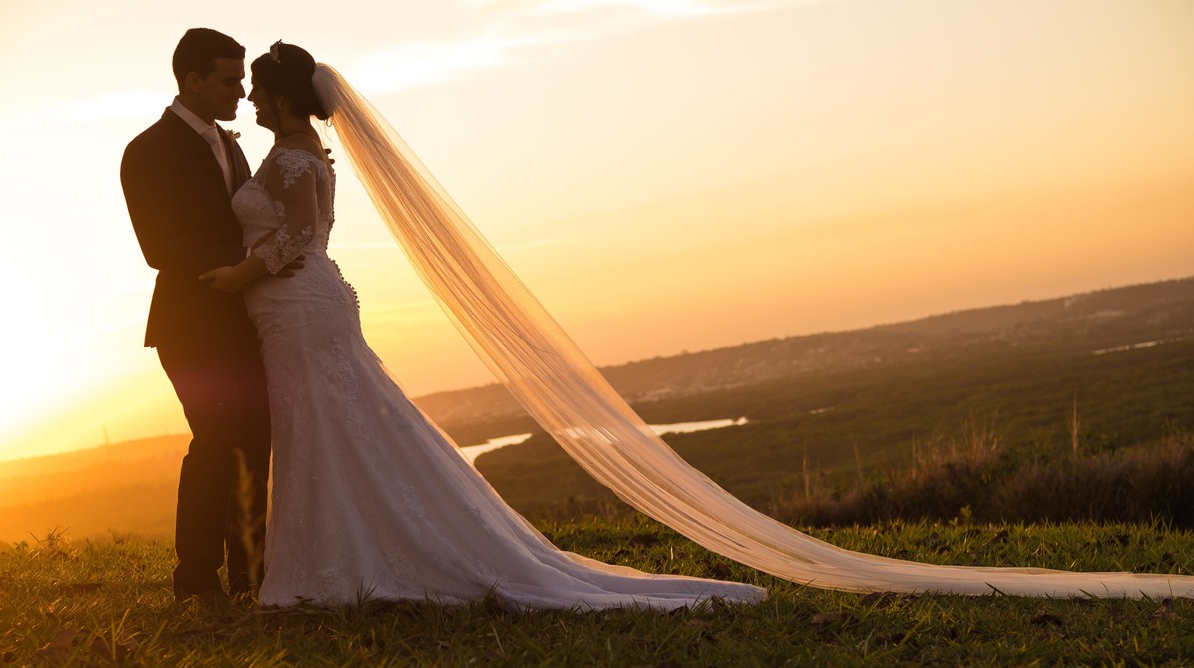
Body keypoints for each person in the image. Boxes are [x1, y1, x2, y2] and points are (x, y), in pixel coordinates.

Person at [202, 41, 1194, 605]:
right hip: (307, 312)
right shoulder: (307, 155)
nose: (248, 93)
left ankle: (340, 564)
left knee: (333, 428)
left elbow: (290, 245)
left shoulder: (291, 161)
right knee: (337, 430)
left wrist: (231, 274)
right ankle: (336, 557)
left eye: (259, 85)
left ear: (287, 96)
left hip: (296, 303)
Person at [121, 29, 272, 607]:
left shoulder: (229, 144)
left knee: (257, 437)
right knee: (216, 436)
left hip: (247, 317)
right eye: (230, 80)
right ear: (193, 80)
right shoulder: (147, 151)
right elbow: (160, 246)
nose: (242, 89)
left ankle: (250, 574)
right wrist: (243, 265)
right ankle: (197, 579)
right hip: (190, 323)